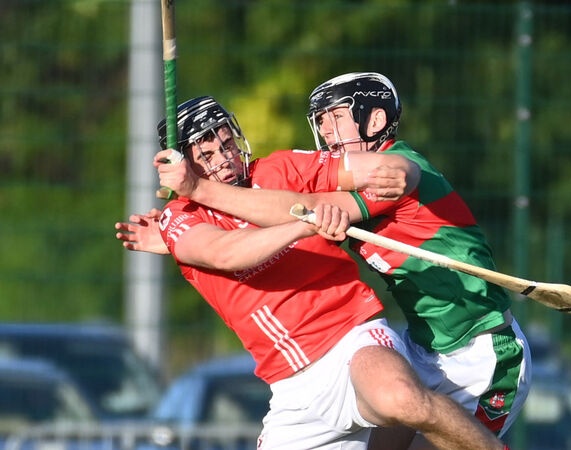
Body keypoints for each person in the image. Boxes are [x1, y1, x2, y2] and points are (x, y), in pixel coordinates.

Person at [116, 96, 506, 450]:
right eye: (207, 152)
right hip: (293, 389)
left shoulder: (281, 168)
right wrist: (303, 223)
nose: (224, 157)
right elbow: (225, 252)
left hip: (354, 340)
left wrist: (403, 171)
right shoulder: (178, 217)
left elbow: (381, 167)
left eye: (226, 143)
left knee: (401, 399)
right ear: (181, 165)